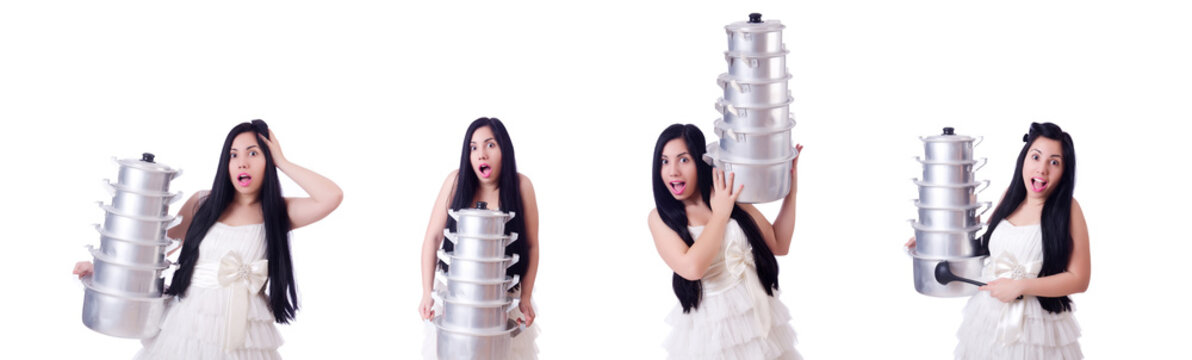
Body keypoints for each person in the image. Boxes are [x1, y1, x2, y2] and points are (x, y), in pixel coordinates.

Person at [74, 120, 343, 359]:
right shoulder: (202, 203)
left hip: (245, 333)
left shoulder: (277, 212)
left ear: (268, 160)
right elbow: (153, 250)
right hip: (188, 324)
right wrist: (103, 271)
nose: (242, 163)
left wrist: (282, 161)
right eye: (233, 155)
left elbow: (331, 196)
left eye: (253, 153)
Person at [908, 122, 1089, 359]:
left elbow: (1079, 279)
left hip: (1038, 328)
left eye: (1054, 162)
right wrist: (932, 239)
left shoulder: (1069, 209)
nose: (1042, 169)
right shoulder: (1009, 197)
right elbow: (983, 248)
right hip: (988, 317)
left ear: (1064, 171)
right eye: (1036, 157)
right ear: (1024, 159)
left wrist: (1021, 286)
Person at [647, 124, 802, 359]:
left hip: (757, 317)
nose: (673, 171)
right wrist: (720, 215)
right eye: (664, 161)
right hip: (711, 333)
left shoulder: (726, 194)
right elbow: (692, 268)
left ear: (700, 161)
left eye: (683, 160)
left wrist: (791, 190)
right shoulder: (660, 218)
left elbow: (779, 243)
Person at [418, 117, 539, 359]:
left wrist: (525, 296)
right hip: (458, 300)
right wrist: (426, 292)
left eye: (490, 145)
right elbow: (432, 238)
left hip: (504, 300)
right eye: (473, 147)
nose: (481, 154)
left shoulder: (521, 185)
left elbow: (532, 245)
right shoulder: (456, 182)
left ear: (504, 148)